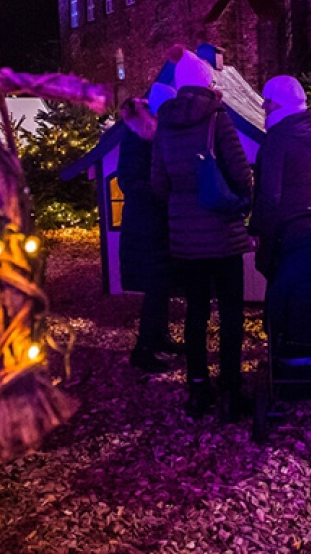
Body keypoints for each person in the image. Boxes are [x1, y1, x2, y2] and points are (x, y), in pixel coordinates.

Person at [152, 46, 253, 421]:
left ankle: (197, 389)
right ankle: (230, 390)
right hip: (222, 232)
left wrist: (181, 208)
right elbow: (240, 172)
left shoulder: (164, 124)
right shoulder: (216, 119)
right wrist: (242, 202)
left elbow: (158, 182)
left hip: (185, 237)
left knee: (195, 313)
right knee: (230, 313)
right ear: (207, 83)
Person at [118, 83, 184, 373]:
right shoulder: (138, 138)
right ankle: (144, 348)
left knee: (162, 283)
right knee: (155, 284)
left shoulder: (152, 137)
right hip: (146, 222)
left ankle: (159, 337)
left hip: (155, 219)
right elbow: (128, 180)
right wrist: (162, 190)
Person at [251, 76, 311, 278]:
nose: (264, 106)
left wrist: (257, 227)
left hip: (282, 220)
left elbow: (270, 192)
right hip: (308, 213)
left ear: (280, 102)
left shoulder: (279, 137)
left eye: (269, 100)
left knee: (278, 276)